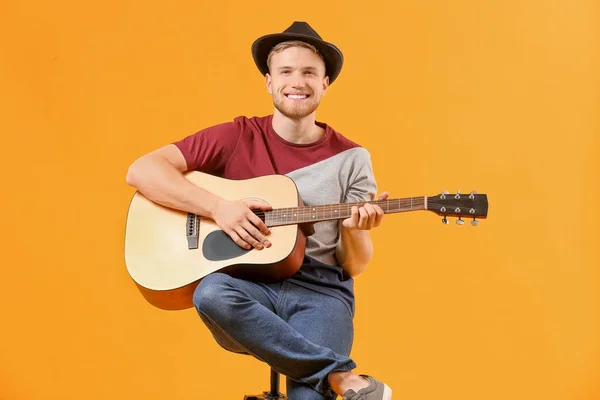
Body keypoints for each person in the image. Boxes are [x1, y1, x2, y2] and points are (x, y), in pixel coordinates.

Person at [125, 21, 392, 400]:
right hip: (247, 288)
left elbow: (355, 265)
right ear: (269, 81)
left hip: (321, 293)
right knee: (211, 293)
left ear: (325, 84)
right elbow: (142, 171)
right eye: (286, 71)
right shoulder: (236, 136)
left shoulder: (352, 158)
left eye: (309, 73)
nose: (297, 82)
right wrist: (219, 208)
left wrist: (356, 229)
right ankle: (339, 376)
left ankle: (324, 380)